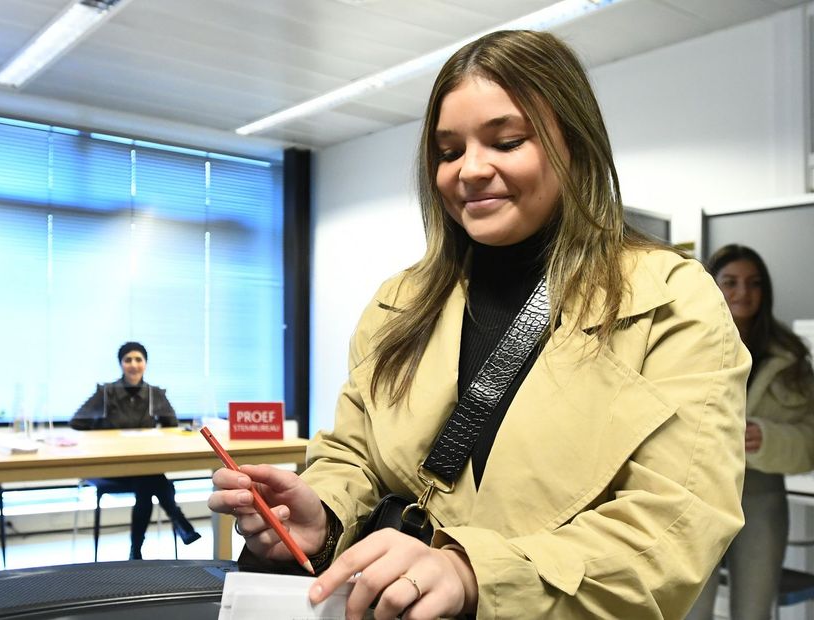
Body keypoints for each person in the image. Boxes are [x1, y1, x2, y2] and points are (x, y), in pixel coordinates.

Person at [208, 29, 751, 619]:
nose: (469, 169)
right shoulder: (401, 302)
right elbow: (354, 452)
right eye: (447, 152)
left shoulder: (669, 301)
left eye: (508, 141)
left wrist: (472, 573)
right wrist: (322, 509)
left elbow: (675, 527)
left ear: (574, 143)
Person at [686, 245, 814, 619]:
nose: (743, 292)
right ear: (712, 286)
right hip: (694, 496)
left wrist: (767, 438)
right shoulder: (684, 343)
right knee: (689, 608)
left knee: (755, 610)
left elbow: (810, 438)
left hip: (760, 498)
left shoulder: (789, 357)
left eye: (754, 283)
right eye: (731, 282)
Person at [69, 341, 201, 559]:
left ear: (145, 364)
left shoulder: (154, 394)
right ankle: (179, 521)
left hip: (142, 468)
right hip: (111, 467)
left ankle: (136, 551)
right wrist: (102, 432)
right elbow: (77, 422)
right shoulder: (106, 392)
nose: (133, 364)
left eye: (138, 359)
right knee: (154, 480)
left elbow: (171, 425)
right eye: (128, 359)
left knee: (146, 482)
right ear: (121, 364)